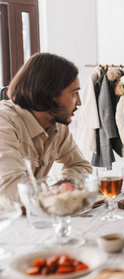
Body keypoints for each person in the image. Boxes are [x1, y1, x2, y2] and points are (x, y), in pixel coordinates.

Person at [0, 52, 93, 204]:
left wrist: (59, 187)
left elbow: (81, 166)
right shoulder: (4, 123)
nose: (79, 102)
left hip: (32, 219)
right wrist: (57, 192)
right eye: (74, 93)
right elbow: (14, 196)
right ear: (49, 94)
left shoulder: (56, 124)